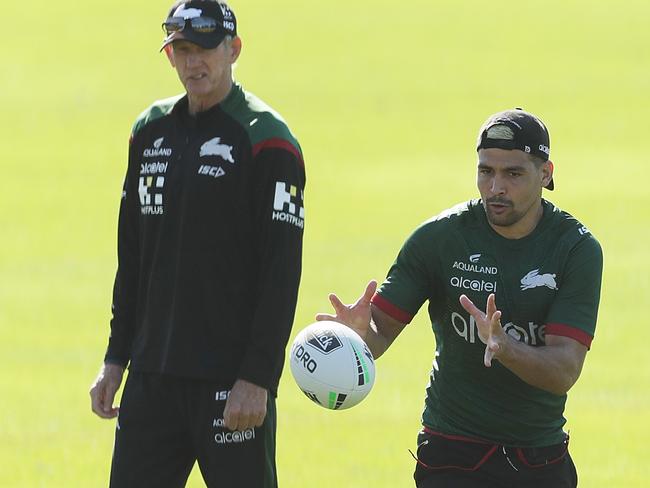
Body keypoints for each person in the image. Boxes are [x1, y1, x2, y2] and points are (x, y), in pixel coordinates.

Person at [317, 108, 602, 487]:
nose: (495, 187)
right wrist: (356, 336)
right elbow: (379, 331)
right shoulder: (439, 239)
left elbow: (564, 370)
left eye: (513, 174)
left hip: (538, 456)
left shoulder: (574, 249)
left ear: (545, 174)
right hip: (450, 452)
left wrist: (505, 347)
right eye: (486, 171)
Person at [89, 1, 305, 486]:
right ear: (169, 56)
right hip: (152, 377)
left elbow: (282, 271)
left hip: (229, 384)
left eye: (206, 48)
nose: (194, 62)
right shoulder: (149, 132)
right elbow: (134, 257)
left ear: (234, 49)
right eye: (182, 49)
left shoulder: (267, 141)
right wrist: (115, 358)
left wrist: (257, 378)